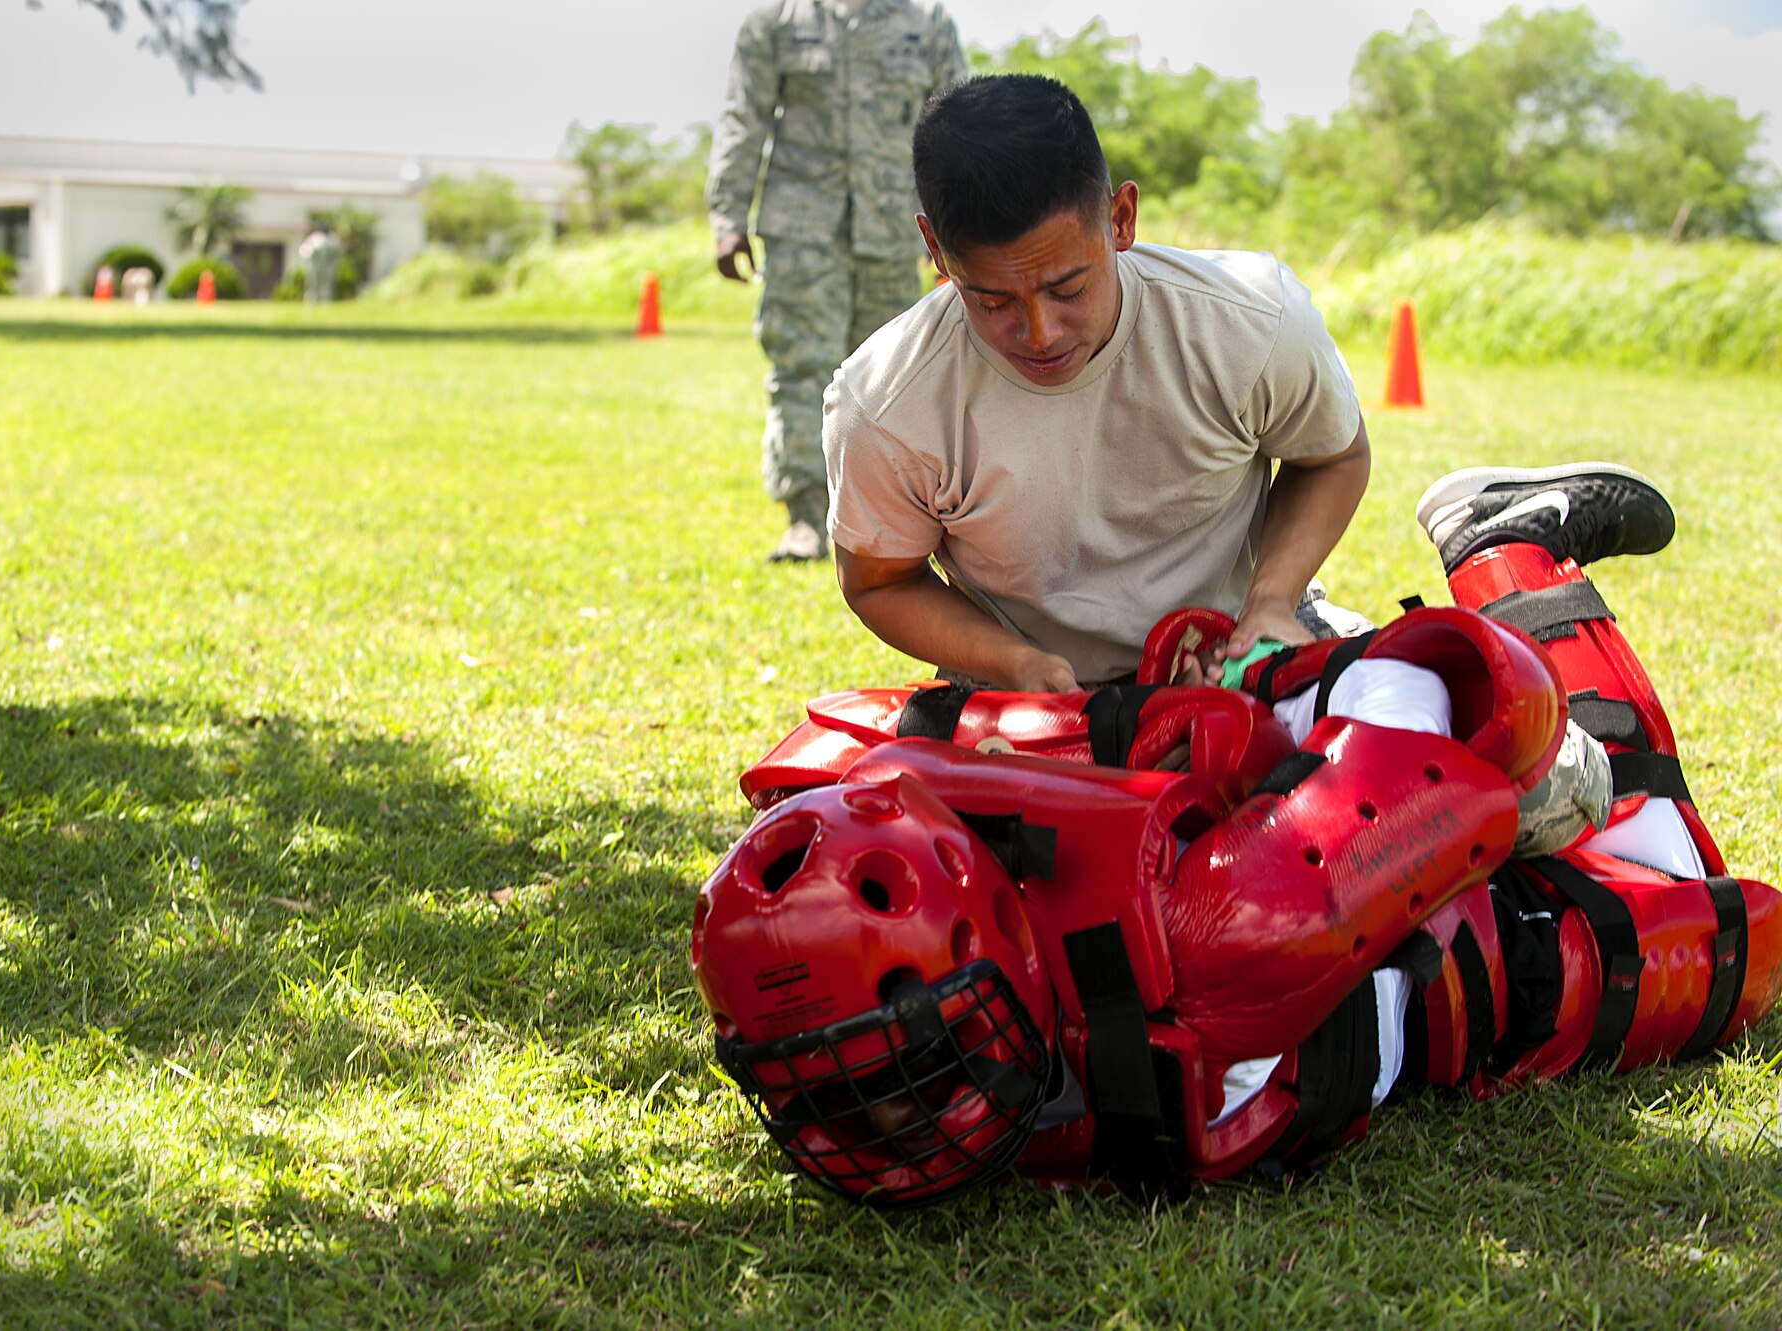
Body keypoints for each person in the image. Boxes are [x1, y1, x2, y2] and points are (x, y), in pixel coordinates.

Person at [691, 464, 1781, 1207]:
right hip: (1406, 959)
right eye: (853, 1081)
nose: (890, 1112)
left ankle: (1498, 556)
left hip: (1364, 873)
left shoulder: (1212, 924)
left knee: (1646, 856)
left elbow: (1449, 682)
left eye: (905, 1055)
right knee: (1688, 905)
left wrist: (1274, 707)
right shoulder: (887, 799)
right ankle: (1507, 548)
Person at [825, 73, 1369, 687]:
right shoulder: (885, 403)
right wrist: (1018, 664)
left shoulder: (1251, 323)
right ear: (936, 250)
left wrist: (1269, 603)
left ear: (1121, 218)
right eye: (993, 301)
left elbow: (1332, 458)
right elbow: (880, 580)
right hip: (1031, 709)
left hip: (1245, 655)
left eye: (1068, 288)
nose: (1040, 333)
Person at [706, 0, 966, 563]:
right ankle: (805, 517)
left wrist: (960, 222)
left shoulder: (926, 22)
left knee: (894, 381)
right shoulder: (777, 21)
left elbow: (957, 125)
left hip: (895, 227)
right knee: (801, 368)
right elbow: (742, 116)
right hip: (803, 228)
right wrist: (728, 215)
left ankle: (888, 524)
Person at [299, 225, 341, 305]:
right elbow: (305, 252)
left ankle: (322, 302)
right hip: (314, 267)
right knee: (313, 286)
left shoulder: (326, 240)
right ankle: (312, 302)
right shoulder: (312, 239)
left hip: (321, 267)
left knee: (322, 286)